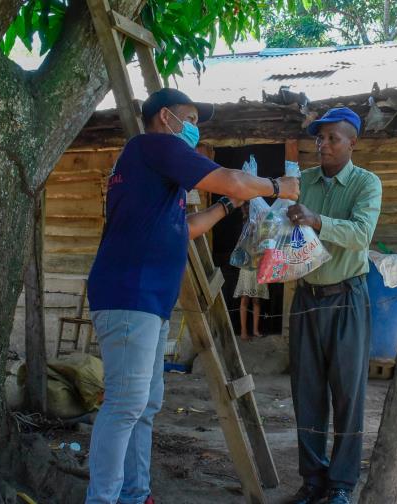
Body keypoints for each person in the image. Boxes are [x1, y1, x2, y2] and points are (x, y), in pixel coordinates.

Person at [85, 88, 299, 504]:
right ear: (165, 117)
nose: (194, 128)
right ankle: (103, 499)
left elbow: (181, 229)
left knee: (144, 405)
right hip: (131, 294)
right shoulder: (156, 146)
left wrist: (226, 207)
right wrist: (277, 185)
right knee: (126, 405)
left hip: (144, 299)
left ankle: (134, 493)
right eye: (190, 118)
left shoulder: (149, 164)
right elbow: (234, 177)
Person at [285, 107, 382, 504]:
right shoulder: (302, 181)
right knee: (306, 394)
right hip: (306, 298)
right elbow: (279, 219)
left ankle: (341, 484)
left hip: (347, 298)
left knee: (348, 394)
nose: (322, 145)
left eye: (332, 139)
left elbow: (361, 235)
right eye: (319, 139)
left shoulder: (366, 184)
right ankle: (313, 480)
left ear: (352, 142)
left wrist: (316, 220)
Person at [234, 203, 269, 340]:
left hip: (258, 265)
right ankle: (243, 331)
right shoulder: (244, 226)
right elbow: (241, 245)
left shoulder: (260, 224)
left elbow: (264, 243)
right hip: (247, 266)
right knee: (245, 299)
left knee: (256, 300)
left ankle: (254, 330)